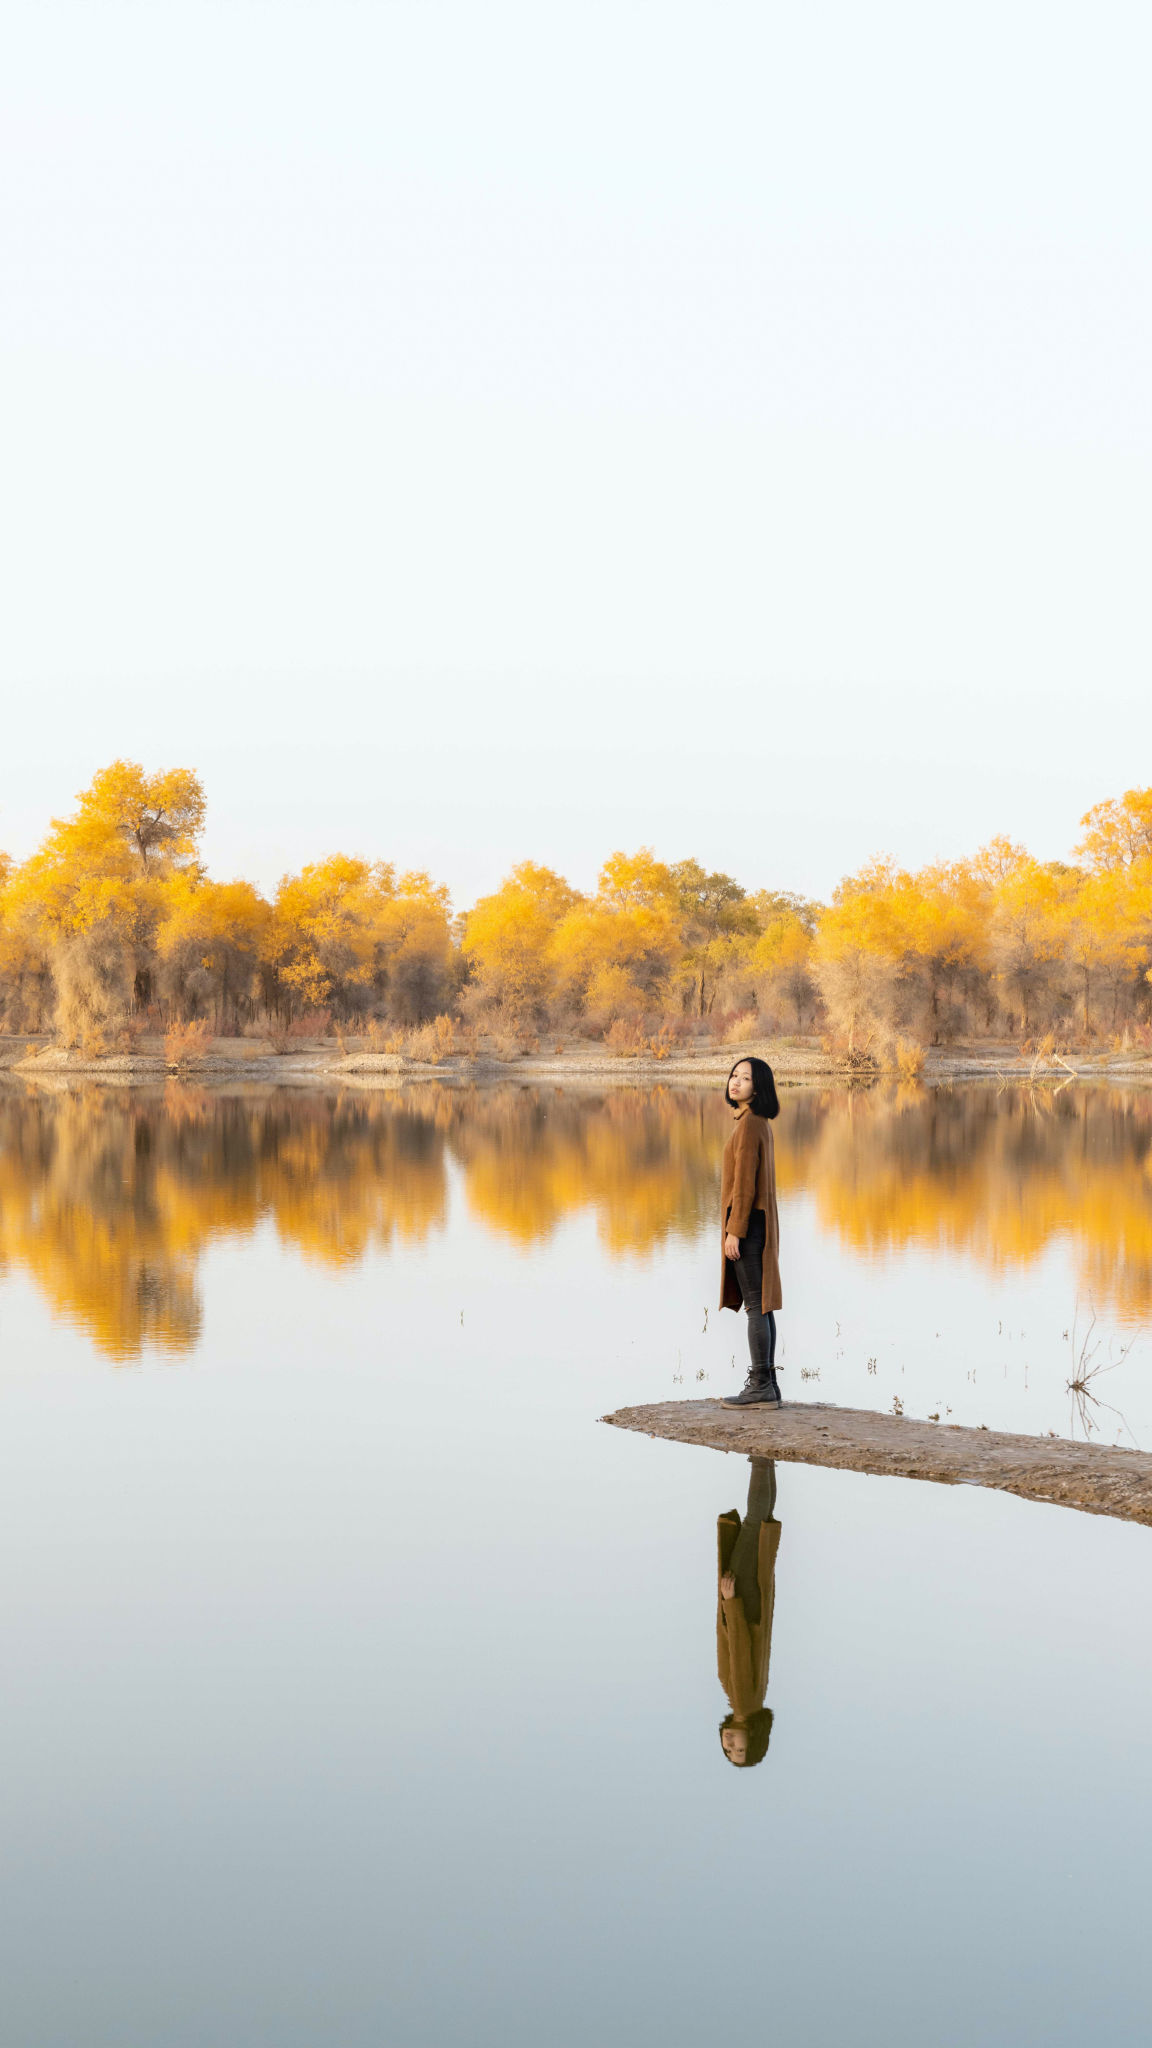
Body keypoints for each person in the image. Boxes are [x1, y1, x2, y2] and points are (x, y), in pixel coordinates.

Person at [718, 1055, 783, 1408]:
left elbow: (744, 1184)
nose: (736, 1082)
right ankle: (767, 1383)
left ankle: (760, 1385)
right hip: (757, 1223)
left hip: (748, 1224)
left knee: (757, 1306)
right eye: (734, 1075)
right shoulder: (756, 1122)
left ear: (758, 1088)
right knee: (763, 1306)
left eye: (745, 1078)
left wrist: (735, 1231)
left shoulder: (749, 1125)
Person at [717, 1456, 781, 1767]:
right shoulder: (743, 1701)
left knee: (761, 1522)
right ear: (752, 1739)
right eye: (739, 1750)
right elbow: (740, 1648)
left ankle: (766, 1462)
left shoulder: (755, 1701)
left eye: (728, 1751)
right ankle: (760, 1457)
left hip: (752, 1606)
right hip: (743, 1602)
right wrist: (731, 1601)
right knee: (754, 1523)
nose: (730, 1745)